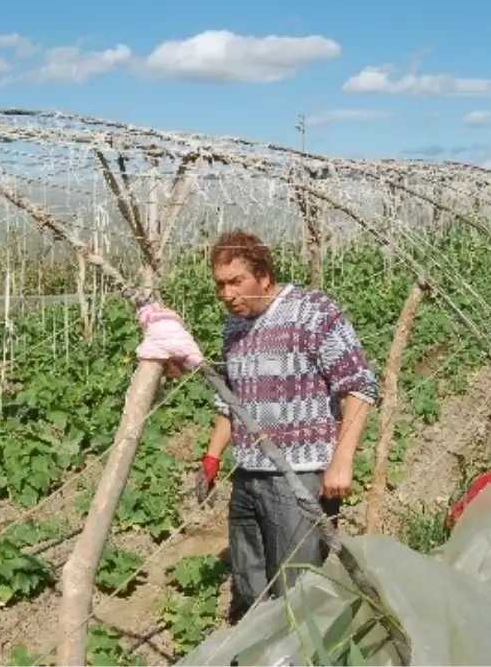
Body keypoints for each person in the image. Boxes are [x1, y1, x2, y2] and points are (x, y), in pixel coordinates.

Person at [137, 230, 379, 624]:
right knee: (250, 587)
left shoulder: (313, 311)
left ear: (263, 275)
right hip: (248, 475)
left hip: (299, 476)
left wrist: (342, 460)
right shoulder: (235, 326)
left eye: (236, 282)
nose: (227, 294)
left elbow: (359, 385)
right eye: (220, 285)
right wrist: (213, 456)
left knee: (298, 591)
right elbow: (233, 398)